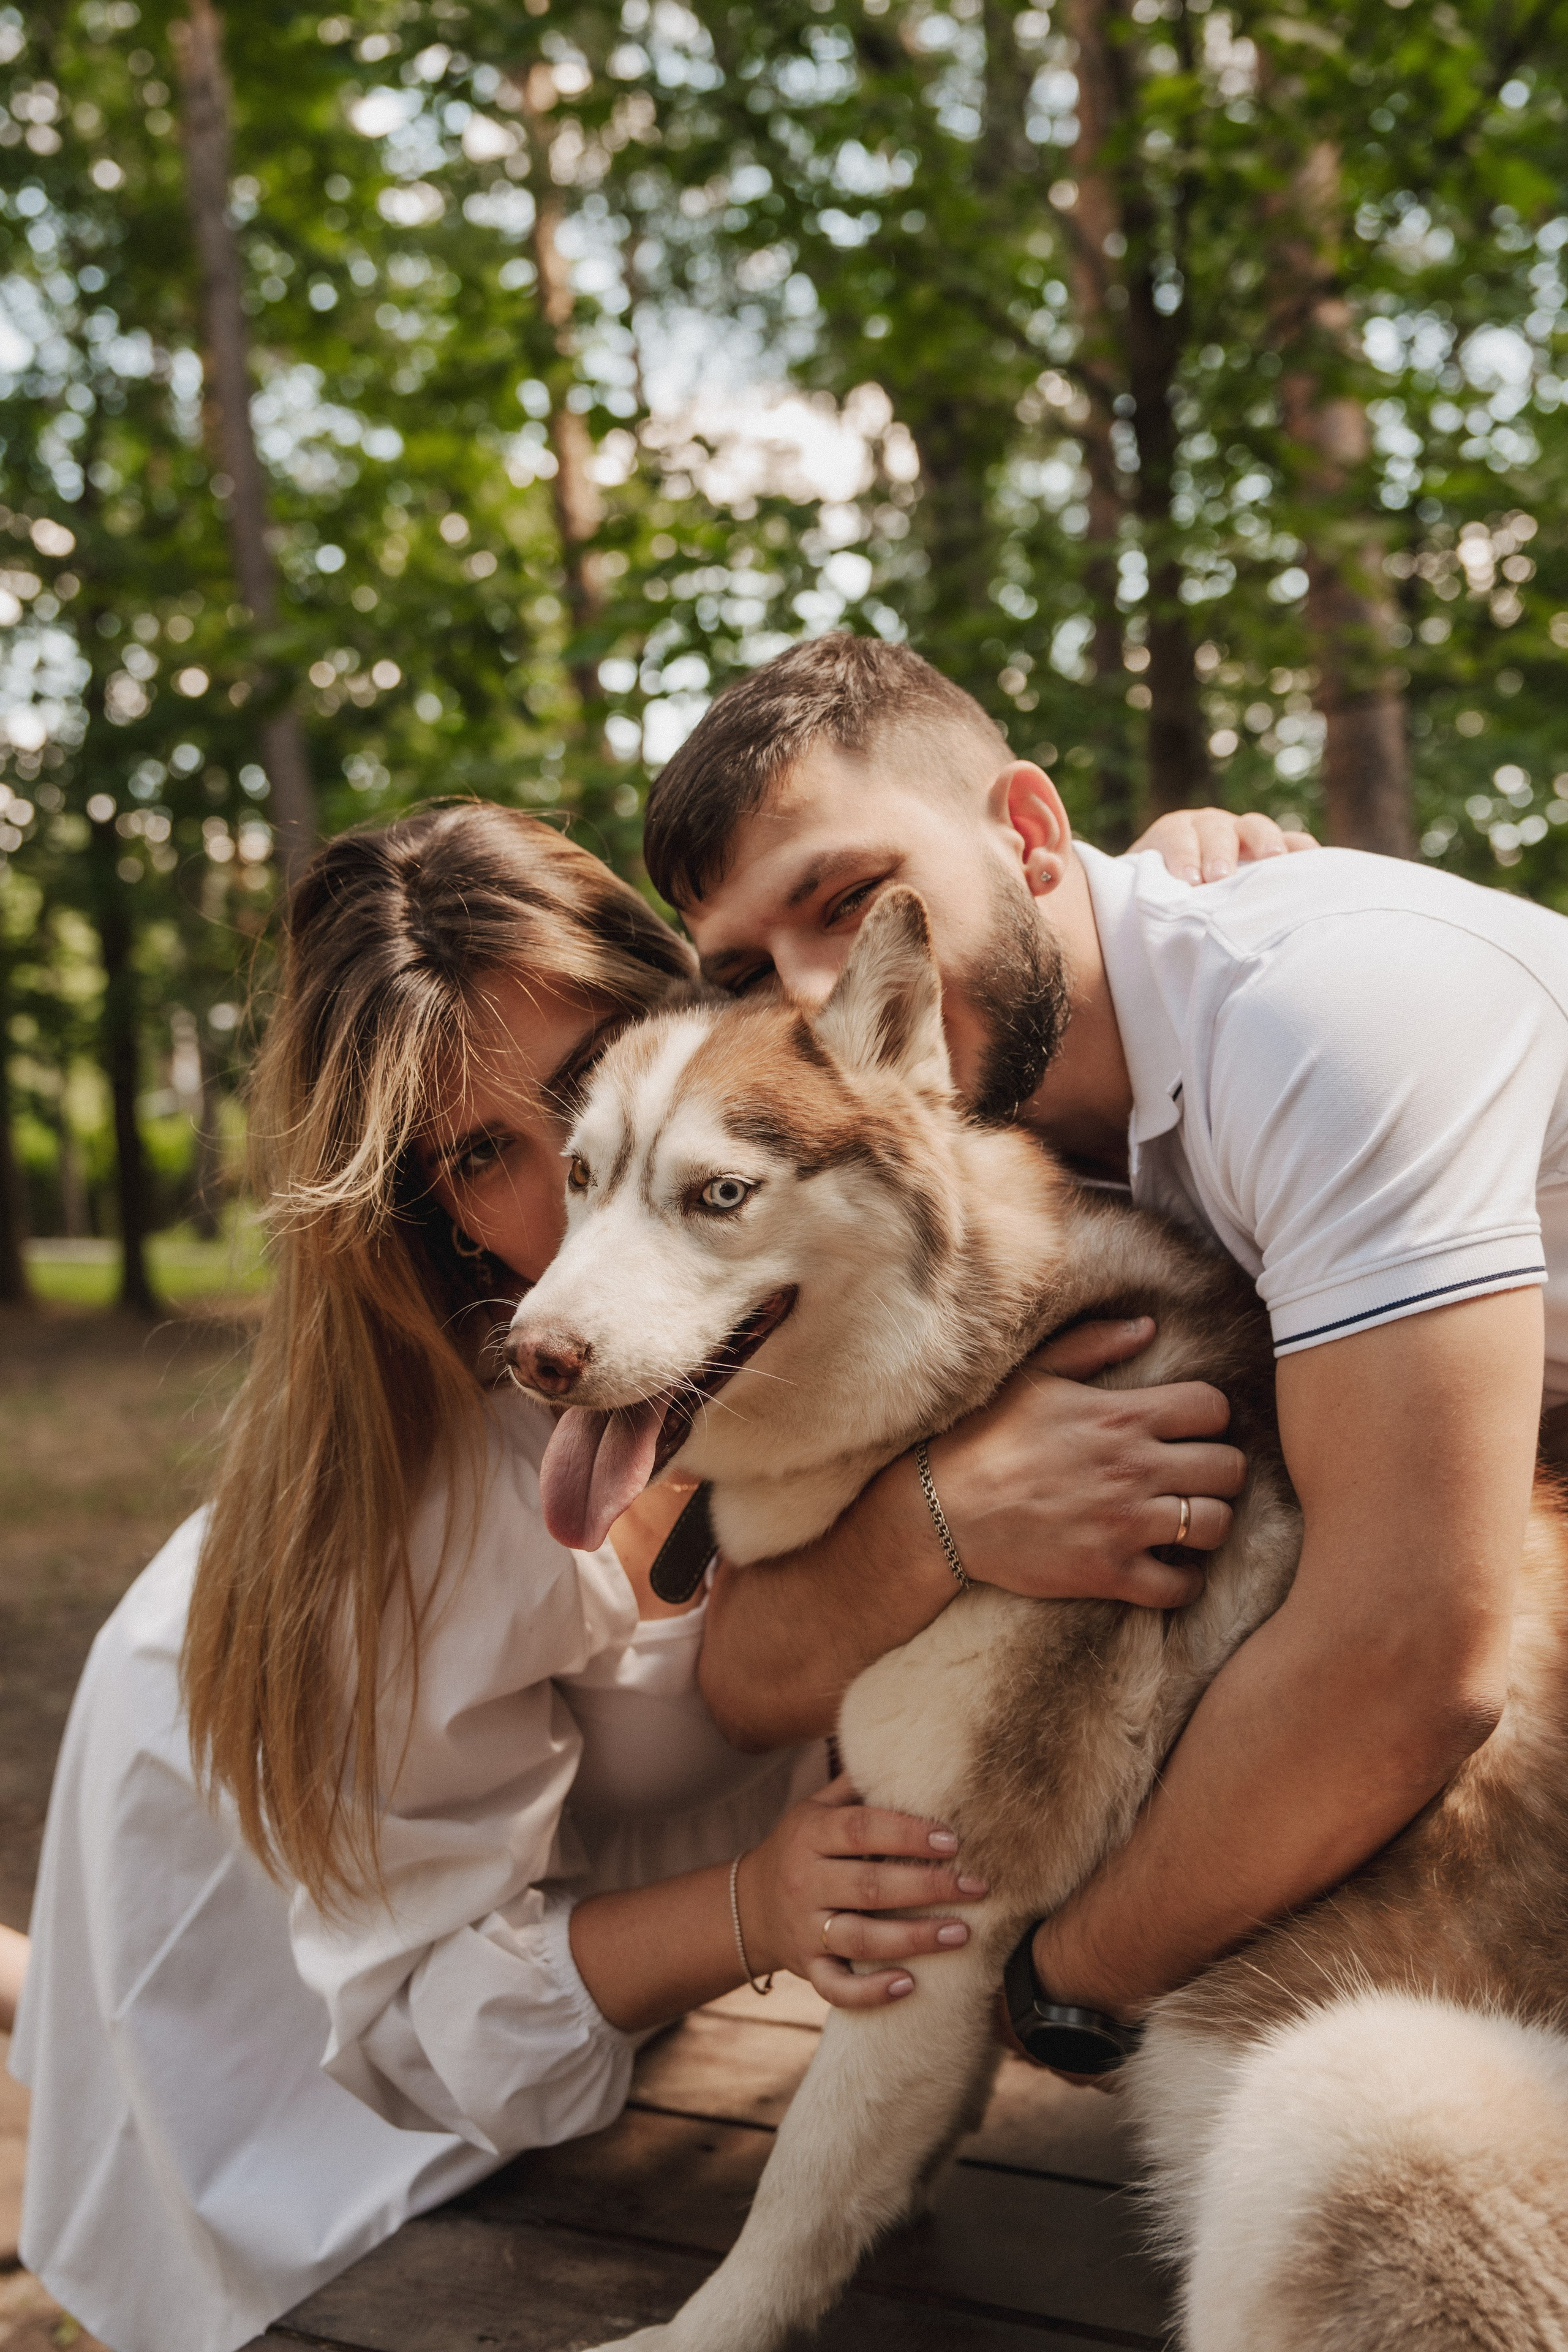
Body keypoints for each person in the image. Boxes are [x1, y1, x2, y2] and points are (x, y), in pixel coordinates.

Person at [10, 796, 1273, 2352]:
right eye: (488, 1155)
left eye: (583, 1095)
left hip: (599, 2000)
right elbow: (418, 2029)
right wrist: (757, 1901)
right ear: (418, 1198)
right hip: (318, 2075)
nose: (576, 1215)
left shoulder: (787, 1228)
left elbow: (980, 982)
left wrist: (1176, 900)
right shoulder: (427, 1514)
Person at [640, 631, 1564, 2048]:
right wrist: (944, 1513)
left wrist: (1055, 1983)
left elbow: (1408, 1656)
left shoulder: (1319, 1013)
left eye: (847, 901)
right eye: (745, 973)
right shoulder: (964, 1153)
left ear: (1026, 831)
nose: (812, 999)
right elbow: (743, 1669)